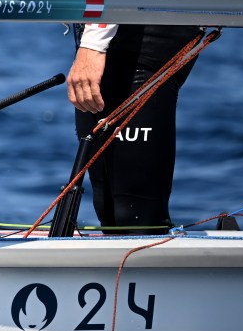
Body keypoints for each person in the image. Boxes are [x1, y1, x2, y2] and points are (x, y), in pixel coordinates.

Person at [67, 23, 202, 234]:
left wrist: (93, 44)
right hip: (112, 36)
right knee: (109, 210)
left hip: (135, 36)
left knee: (134, 218)